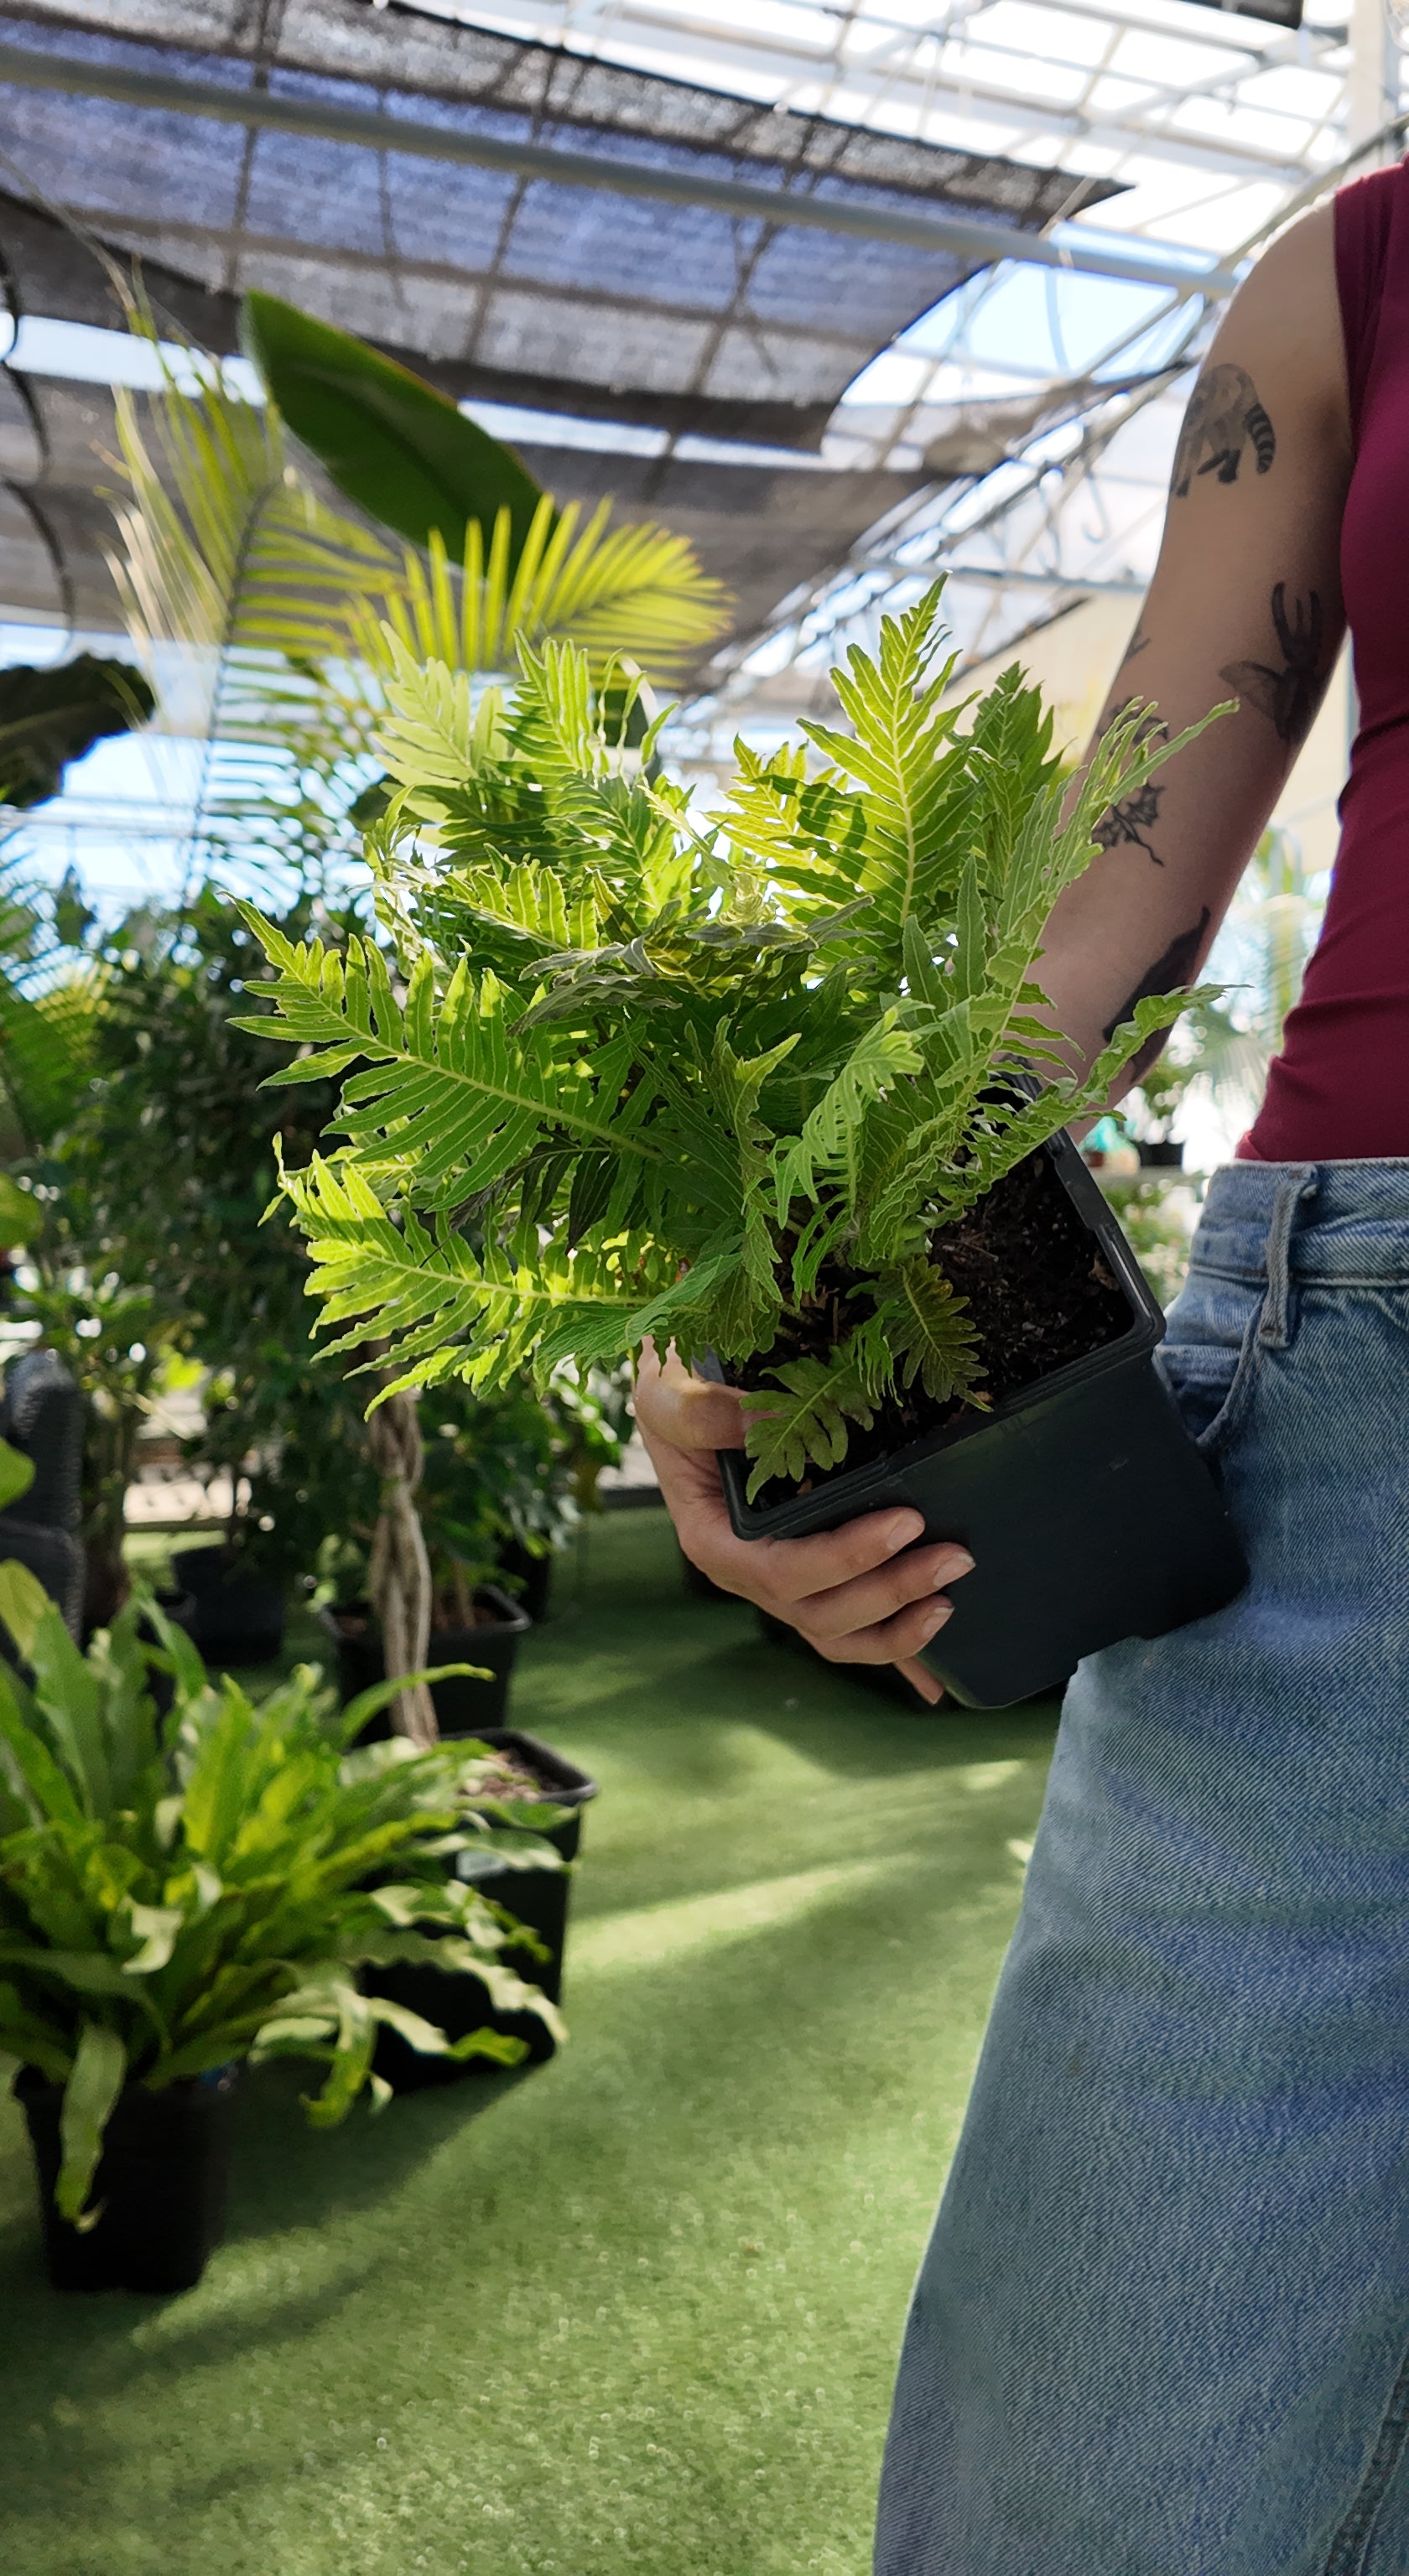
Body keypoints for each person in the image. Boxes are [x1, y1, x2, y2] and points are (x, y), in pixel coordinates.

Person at [634, 161, 1409, 2570]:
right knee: (1088, 2474)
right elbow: (1093, 924)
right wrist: (786, 1310)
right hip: (1359, 1395)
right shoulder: (1355, 275)